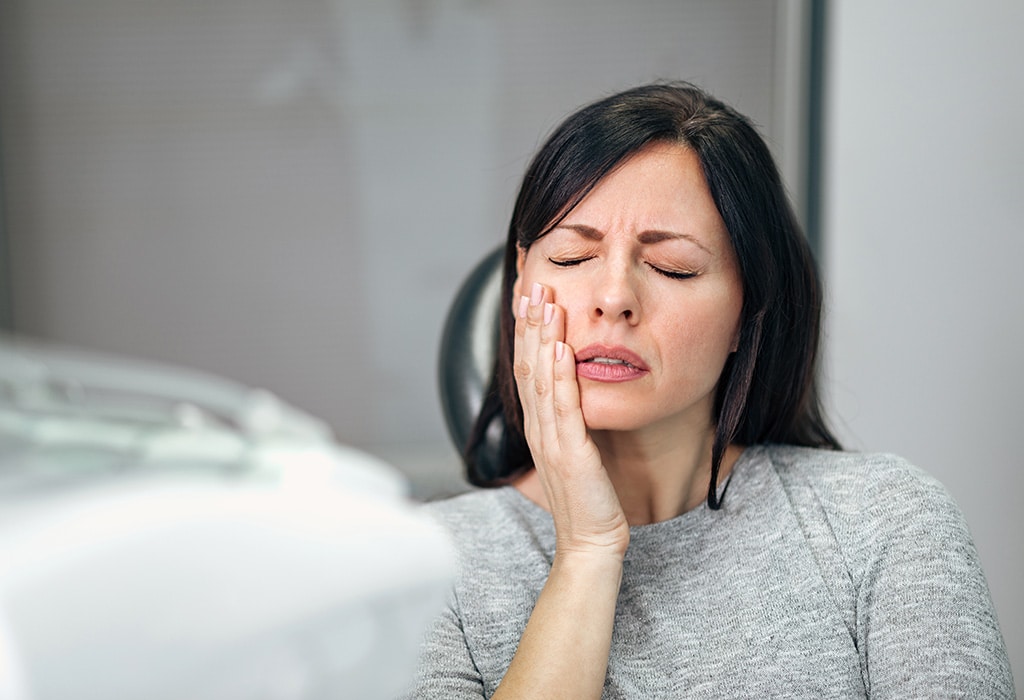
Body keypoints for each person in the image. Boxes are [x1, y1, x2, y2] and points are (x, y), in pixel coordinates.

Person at [402, 83, 1014, 698]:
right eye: (569, 258)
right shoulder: (419, 566)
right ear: (519, 287)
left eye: (674, 268)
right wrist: (586, 554)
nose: (613, 298)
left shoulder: (885, 522)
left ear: (745, 313)